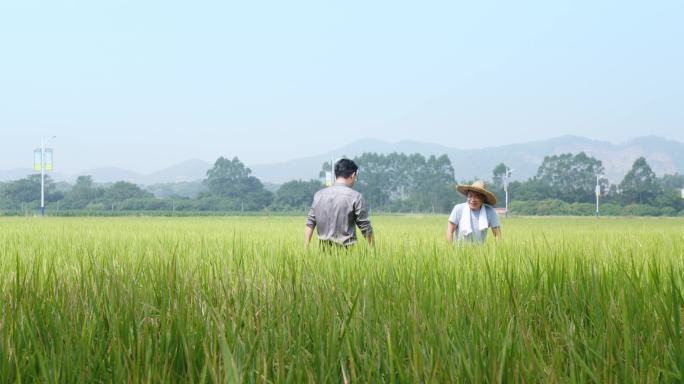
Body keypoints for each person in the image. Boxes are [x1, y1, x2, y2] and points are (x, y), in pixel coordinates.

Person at [305, 158, 374, 249]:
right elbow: (365, 227)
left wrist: (305, 250)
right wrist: (373, 250)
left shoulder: (319, 195)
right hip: (347, 252)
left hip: (322, 253)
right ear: (353, 175)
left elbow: (310, 223)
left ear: (336, 175)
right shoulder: (355, 197)